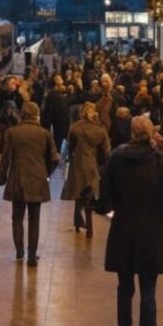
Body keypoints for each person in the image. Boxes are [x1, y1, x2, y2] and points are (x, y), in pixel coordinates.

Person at [102, 115, 163, 326]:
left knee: (124, 287)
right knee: (148, 288)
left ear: (132, 133)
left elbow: (105, 197)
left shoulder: (117, 159)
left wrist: (114, 210)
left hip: (124, 228)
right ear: (151, 134)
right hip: (152, 231)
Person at [0, 101, 59, 266]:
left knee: (17, 217)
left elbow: (5, 158)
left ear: (23, 114)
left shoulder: (12, 132)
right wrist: (46, 173)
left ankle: (19, 251)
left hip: (17, 178)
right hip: (37, 180)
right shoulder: (45, 133)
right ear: (37, 114)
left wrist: (2, 177)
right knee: (34, 218)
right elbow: (54, 159)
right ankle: (32, 256)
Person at [61, 101, 111, 238]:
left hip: (77, 163)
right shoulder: (100, 130)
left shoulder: (74, 128)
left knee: (78, 191)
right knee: (89, 194)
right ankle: (88, 226)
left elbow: (69, 145)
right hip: (92, 164)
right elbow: (107, 150)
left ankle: (78, 221)